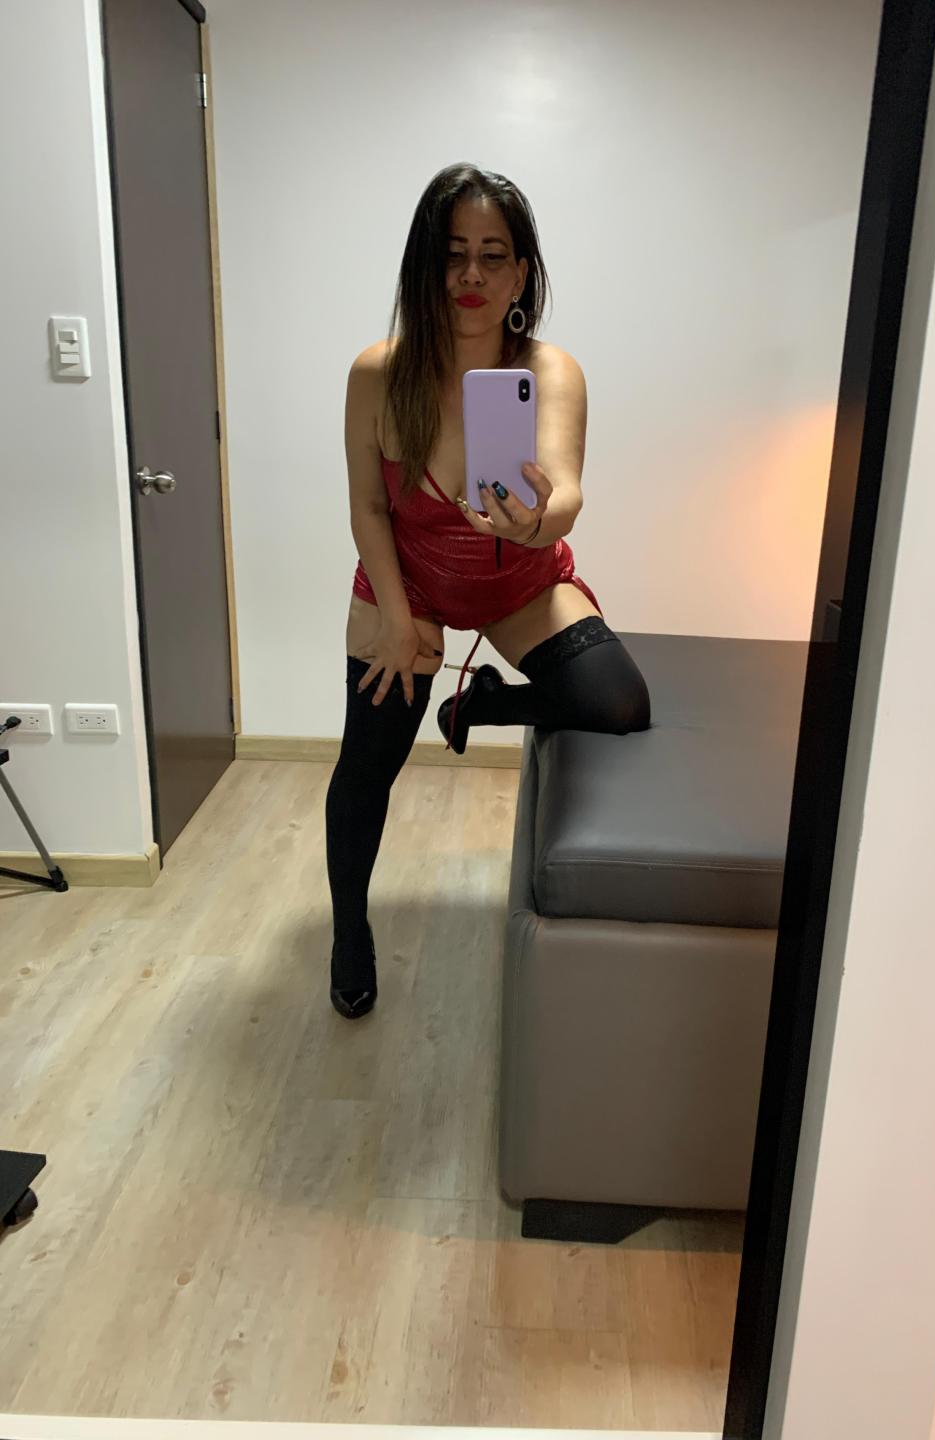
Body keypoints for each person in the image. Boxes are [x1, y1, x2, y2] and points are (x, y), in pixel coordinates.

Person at [325, 163, 651, 1020]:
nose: (470, 274)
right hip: (409, 586)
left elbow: (567, 489)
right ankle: (350, 932)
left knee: (619, 701)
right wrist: (398, 621)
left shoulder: (550, 369)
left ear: (520, 274)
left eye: (492, 255)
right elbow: (366, 508)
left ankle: (481, 705)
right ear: (423, 265)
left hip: (519, 583)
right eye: (452, 253)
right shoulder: (377, 374)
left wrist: (539, 521)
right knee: (367, 766)